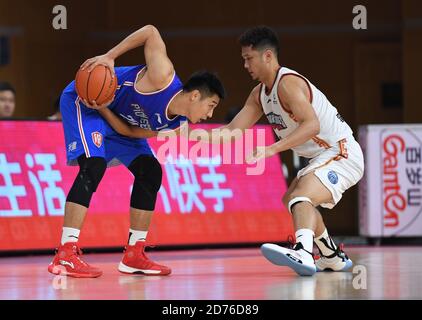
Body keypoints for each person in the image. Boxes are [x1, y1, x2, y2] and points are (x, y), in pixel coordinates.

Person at [48, 25, 225, 278]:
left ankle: (134, 254)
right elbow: (151, 32)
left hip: (109, 113)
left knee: (150, 171)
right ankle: (65, 254)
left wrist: (105, 108)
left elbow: (129, 132)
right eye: (211, 106)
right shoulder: (162, 77)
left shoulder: (176, 125)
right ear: (195, 95)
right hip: (85, 100)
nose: (210, 114)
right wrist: (110, 57)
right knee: (94, 166)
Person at [196, 26, 364, 276]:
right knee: (293, 202)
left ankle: (304, 253)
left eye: (248, 58)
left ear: (267, 56)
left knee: (302, 198)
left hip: (341, 152)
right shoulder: (259, 95)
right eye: (243, 59)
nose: (245, 65)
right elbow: (232, 131)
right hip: (322, 156)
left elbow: (312, 124)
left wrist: (271, 149)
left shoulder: (288, 84)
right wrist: (189, 133)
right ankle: (330, 255)